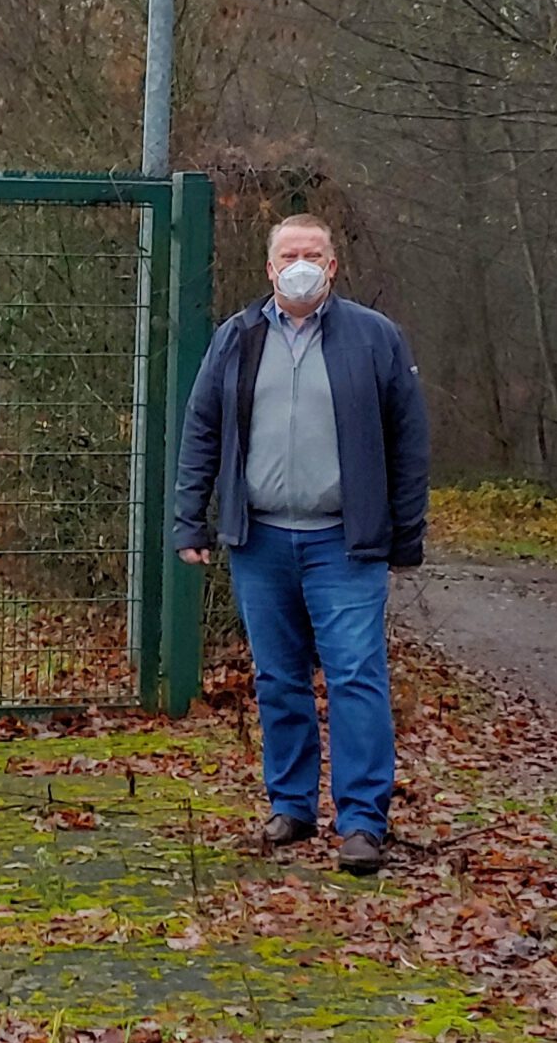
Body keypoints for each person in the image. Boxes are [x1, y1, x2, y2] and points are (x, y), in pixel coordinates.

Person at [172, 214, 429, 877]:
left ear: (333, 265)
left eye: (313, 253)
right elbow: (202, 430)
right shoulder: (236, 339)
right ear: (269, 266)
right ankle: (290, 806)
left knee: (355, 677)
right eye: (289, 254)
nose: (301, 263)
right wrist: (189, 520)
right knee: (279, 679)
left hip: (346, 543)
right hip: (260, 541)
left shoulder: (375, 338)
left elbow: (408, 442)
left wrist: (406, 534)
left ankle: (362, 822)